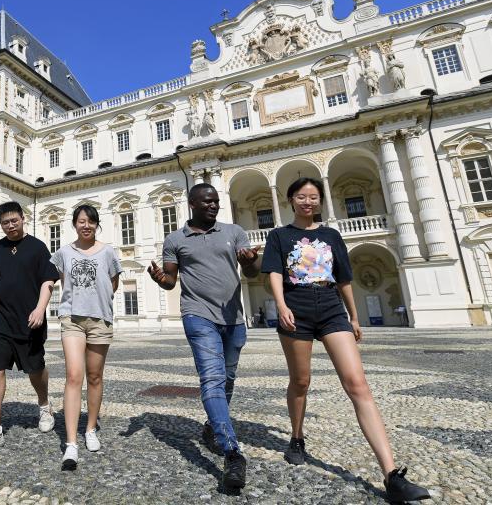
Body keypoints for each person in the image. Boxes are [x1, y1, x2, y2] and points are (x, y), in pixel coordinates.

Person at [260, 177, 430, 503]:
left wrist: (353, 315)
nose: (307, 201)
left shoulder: (331, 235)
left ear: (320, 201)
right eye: (301, 196)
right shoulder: (280, 235)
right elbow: (275, 272)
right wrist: (280, 306)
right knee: (301, 381)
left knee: (357, 384)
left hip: (330, 308)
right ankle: (296, 437)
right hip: (296, 308)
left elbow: (343, 278)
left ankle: (392, 475)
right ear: (291, 200)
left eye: (313, 197)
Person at [148, 183, 260, 489]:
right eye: (207, 202)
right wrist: (161, 278)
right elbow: (171, 281)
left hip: (233, 317)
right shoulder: (175, 239)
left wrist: (251, 263)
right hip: (197, 315)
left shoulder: (234, 232)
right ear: (192, 204)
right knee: (211, 378)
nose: (213, 205)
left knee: (228, 377)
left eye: (216, 201)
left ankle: (213, 425)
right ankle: (232, 452)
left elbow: (250, 273)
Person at [0, 202, 59, 453]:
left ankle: (44, 405)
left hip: (30, 319)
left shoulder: (37, 247)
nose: (10, 226)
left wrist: (41, 308)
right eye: (5, 222)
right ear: (0, 224)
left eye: (14, 220)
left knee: (35, 368)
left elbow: (48, 280)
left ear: (22, 218)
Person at [51, 205, 122, 470]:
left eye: (91, 221)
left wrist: (97, 298)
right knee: (73, 375)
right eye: (81, 221)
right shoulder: (64, 253)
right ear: (74, 224)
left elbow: (113, 282)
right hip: (71, 318)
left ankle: (90, 427)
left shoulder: (108, 252)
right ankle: (71, 443)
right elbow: (56, 280)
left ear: (96, 224)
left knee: (94, 376)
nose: (86, 225)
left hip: (100, 319)